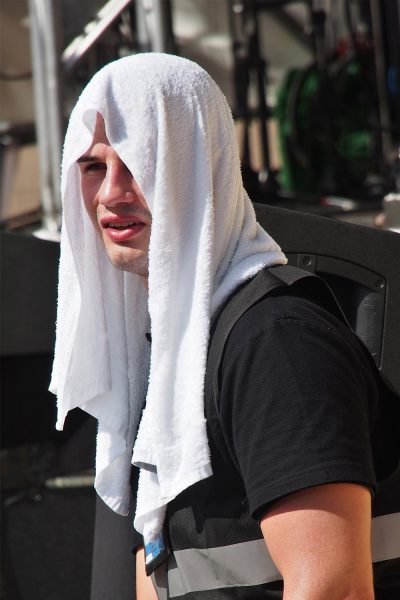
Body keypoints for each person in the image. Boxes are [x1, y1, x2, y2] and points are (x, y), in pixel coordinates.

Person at [51, 53, 399, 599]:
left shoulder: (275, 342)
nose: (112, 193)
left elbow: (334, 587)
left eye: (140, 162)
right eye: (94, 167)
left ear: (198, 166)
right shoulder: (169, 356)